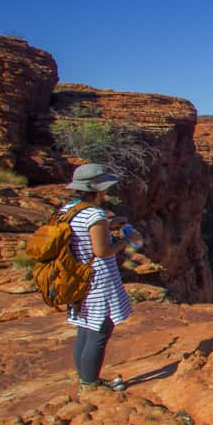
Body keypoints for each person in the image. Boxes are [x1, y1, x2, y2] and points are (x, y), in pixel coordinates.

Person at [62, 163, 136, 391]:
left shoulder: (68, 209)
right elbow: (102, 251)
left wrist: (109, 225)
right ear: (98, 189)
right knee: (100, 331)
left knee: (84, 327)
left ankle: (85, 378)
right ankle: (90, 385)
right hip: (97, 280)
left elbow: (80, 234)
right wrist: (126, 240)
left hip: (76, 276)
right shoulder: (95, 214)